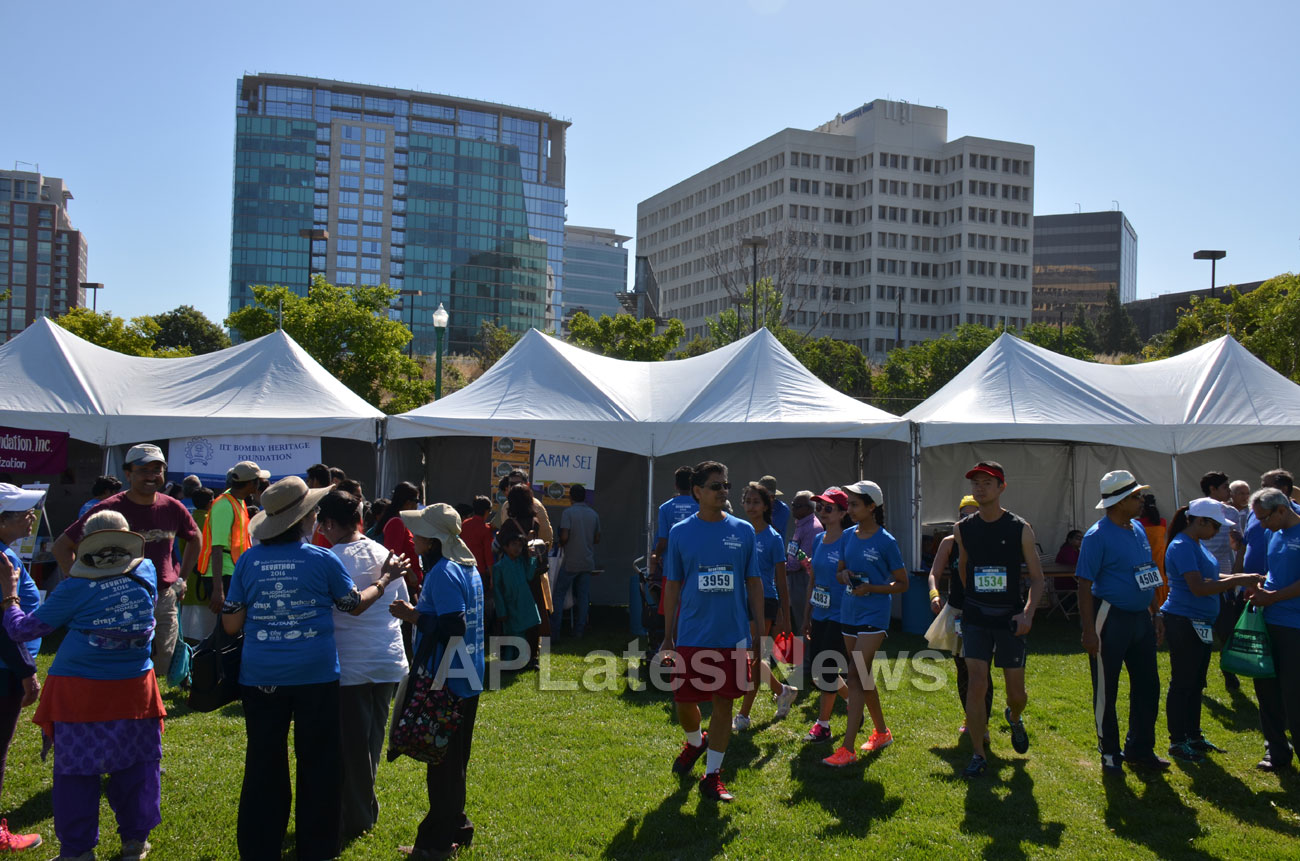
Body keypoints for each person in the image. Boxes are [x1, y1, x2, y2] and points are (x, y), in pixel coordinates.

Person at [221, 476, 408, 861]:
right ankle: (317, 846)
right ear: (305, 520)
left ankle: (259, 846)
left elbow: (231, 625)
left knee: (263, 762)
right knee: (319, 763)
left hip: (260, 677)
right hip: (316, 676)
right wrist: (386, 578)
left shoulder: (249, 561)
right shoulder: (322, 560)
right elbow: (353, 604)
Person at [3, 511, 164, 861]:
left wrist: (9, 596)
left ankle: (77, 852)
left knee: (77, 772)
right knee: (137, 767)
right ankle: (135, 842)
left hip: (80, 692)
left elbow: (22, 631)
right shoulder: (146, 571)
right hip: (136, 688)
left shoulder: (75, 587)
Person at [659, 461, 764, 802]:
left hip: (731, 634)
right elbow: (672, 585)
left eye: (725, 486)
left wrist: (759, 630)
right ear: (698, 492)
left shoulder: (743, 531)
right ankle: (694, 742)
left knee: (724, 705)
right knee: (684, 701)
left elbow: (754, 582)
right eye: (716, 486)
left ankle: (712, 775)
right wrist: (667, 635)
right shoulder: (680, 532)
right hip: (691, 633)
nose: (723, 491)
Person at [388, 504, 486, 859]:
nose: (415, 537)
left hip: (447, 678)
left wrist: (412, 616)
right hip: (466, 674)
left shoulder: (444, 571)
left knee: (441, 765)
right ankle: (457, 827)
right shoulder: (466, 566)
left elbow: (453, 626)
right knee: (453, 759)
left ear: (435, 540)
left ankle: (435, 844)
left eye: (420, 533)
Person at [54, 444, 199, 682]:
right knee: (124, 659)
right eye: (143, 469)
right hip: (118, 598)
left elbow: (195, 539)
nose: (151, 475)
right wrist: (80, 585)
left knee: (164, 655)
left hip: (163, 595)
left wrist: (182, 578)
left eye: (157, 469)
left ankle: (150, 698)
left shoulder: (173, 507)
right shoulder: (108, 509)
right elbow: (62, 546)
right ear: (128, 473)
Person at [318, 490, 411, 844]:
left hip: (352, 662)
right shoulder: (383, 552)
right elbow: (402, 602)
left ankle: (356, 818)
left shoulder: (329, 559)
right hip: (387, 659)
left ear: (329, 523)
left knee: (354, 747)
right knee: (369, 741)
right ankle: (362, 811)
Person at [952, 462, 1044, 778]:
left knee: (1016, 694)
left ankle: (1014, 718)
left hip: (1010, 618)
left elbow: (1037, 578)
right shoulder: (963, 528)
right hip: (976, 616)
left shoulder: (1020, 528)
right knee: (977, 684)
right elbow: (963, 568)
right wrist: (967, 604)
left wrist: (1028, 613)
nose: (980, 488)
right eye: (975, 482)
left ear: (1001, 487)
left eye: (987, 483)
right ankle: (979, 753)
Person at [1076, 469, 1169, 775]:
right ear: (1118, 502)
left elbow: (1147, 573)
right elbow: (1084, 585)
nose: (1142, 501)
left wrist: (1155, 611)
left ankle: (1140, 749)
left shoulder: (1137, 529)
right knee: (1107, 689)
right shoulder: (1097, 536)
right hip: (1110, 618)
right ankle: (1110, 753)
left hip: (1141, 618)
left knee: (1148, 685)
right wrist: (1089, 631)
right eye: (1136, 496)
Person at [1160, 500, 1263, 763]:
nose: (1217, 531)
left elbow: (1213, 579)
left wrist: (1244, 577)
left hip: (1200, 622)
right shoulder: (1182, 546)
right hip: (1183, 620)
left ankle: (1193, 735)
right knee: (1183, 682)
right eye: (1215, 525)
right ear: (1199, 521)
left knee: (1196, 682)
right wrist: (1240, 579)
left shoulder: (1197, 545)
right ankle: (1177, 742)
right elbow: (1199, 587)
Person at [822, 480, 907, 767]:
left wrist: (873, 589)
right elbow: (839, 573)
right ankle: (882, 732)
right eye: (849, 504)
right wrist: (844, 577)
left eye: (855, 504)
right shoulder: (846, 536)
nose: (850, 509)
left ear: (872, 507)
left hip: (874, 615)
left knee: (856, 675)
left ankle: (847, 748)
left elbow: (902, 583)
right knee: (864, 675)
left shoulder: (886, 541)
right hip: (849, 612)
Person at [0, 485, 44, 853]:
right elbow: (2, 627)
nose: (31, 516)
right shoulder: (2, 562)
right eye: (22, 513)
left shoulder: (5, 555)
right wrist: (26, 671)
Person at [927, 495, 993, 734]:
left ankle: (982, 724)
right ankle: (970, 717)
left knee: (982, 668)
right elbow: (934, 572)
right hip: (958, 611)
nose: (967, 520)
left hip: (984, 611)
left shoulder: (989, 540)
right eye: (963, 515)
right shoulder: (949, 542)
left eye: (972, 515)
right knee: (963, 667)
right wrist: (935, 594)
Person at [1246, 487, 1300, 772]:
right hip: (1269, 622)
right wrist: (1260, 587)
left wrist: (1273, 596)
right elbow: (1278, 574)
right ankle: (1276, 751)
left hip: (1295, 626)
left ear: (1282, 509)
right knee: (1266, 688)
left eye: (1265, 518)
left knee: (1294, 694)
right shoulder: (1272, 533)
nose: (1262, 525)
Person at [734, 482, 797, 729]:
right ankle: (783, 690)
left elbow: (781, 581)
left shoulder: (773, 538)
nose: (751, 506)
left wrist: (785, 614)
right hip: (740, 600)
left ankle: (744, 715)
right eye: (747, 501)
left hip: (765, 601)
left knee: (752, 657)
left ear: (766, 505)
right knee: (748, 656)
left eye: (756, 502)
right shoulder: (738, 533)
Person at [192, 461, 267, 641]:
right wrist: (218, 590)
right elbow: (216, 548)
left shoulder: (236, 501)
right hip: (222, 575)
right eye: (258, 481)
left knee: (230, 631)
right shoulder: (225, 505)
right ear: (251, 483)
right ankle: (206, 664)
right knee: (227, 630)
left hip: (230, 571)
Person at [803, 488, 851, 743]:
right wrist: (806, 614)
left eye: (828, 508)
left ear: (844, 513)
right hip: (819, 613)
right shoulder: (819, 539)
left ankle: (823, 724)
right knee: (819, 671)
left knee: (828, 670)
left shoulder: (849, 539)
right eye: (819, 507)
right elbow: (813, 578)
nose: (822, 511)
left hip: (840, 614)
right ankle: (853, 702)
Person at [493, 521, 542, 668]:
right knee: (514, 635)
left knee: (526, 632)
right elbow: (497, 590)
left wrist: (532, 559)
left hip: (525, 603)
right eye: (513, 544)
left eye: (520, 545)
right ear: (506, 547)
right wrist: (501, 611)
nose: (517, 548)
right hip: (511, 605)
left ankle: (523, 661)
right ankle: (510, 662)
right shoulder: (499, 567)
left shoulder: (521, 562)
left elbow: (528, 576)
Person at [555, 484, 600, 639]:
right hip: (587, 561)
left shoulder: (568, 513)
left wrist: (561, 541)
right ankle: (579, 631)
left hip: (571, 562)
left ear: (570, 497)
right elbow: (597, 538)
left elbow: (565, 536)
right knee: (582, 597)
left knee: (559, 594)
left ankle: (555, 632)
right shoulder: (593, 514)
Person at [785, 490, 821, 635]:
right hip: (795, 577)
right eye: (793, 504)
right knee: (798, 619)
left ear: (809, 508)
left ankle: (807, 657)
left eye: (797, 506)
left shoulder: (812, 528)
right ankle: (803, 656)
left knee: (803, 621)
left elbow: (803, 559)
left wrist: (783, 567)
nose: (793, 508)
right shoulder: (801, 524)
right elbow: (795, 553)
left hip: (803, 579)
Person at [380, 482, 425, 593]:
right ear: (407, 503)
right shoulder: (396, 523)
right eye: (417, 501)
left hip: (409, 584)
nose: (417, 506)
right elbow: (392, 554)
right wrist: (410, 573)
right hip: (404, 585)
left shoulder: (402, 522)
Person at [490, 470, 553, 546]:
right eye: (511, 484)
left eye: (518, 484)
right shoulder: (506, 506)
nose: (515, 487)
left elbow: (546, 538)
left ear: (527, 485)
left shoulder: (537, 507)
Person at [460, 496, 495, 623]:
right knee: (480, 603)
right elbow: (488, 555)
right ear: (487, 511)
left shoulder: (464, 524)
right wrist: (492, 576)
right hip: (479, 572)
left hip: (463, 569)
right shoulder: (485, 530)